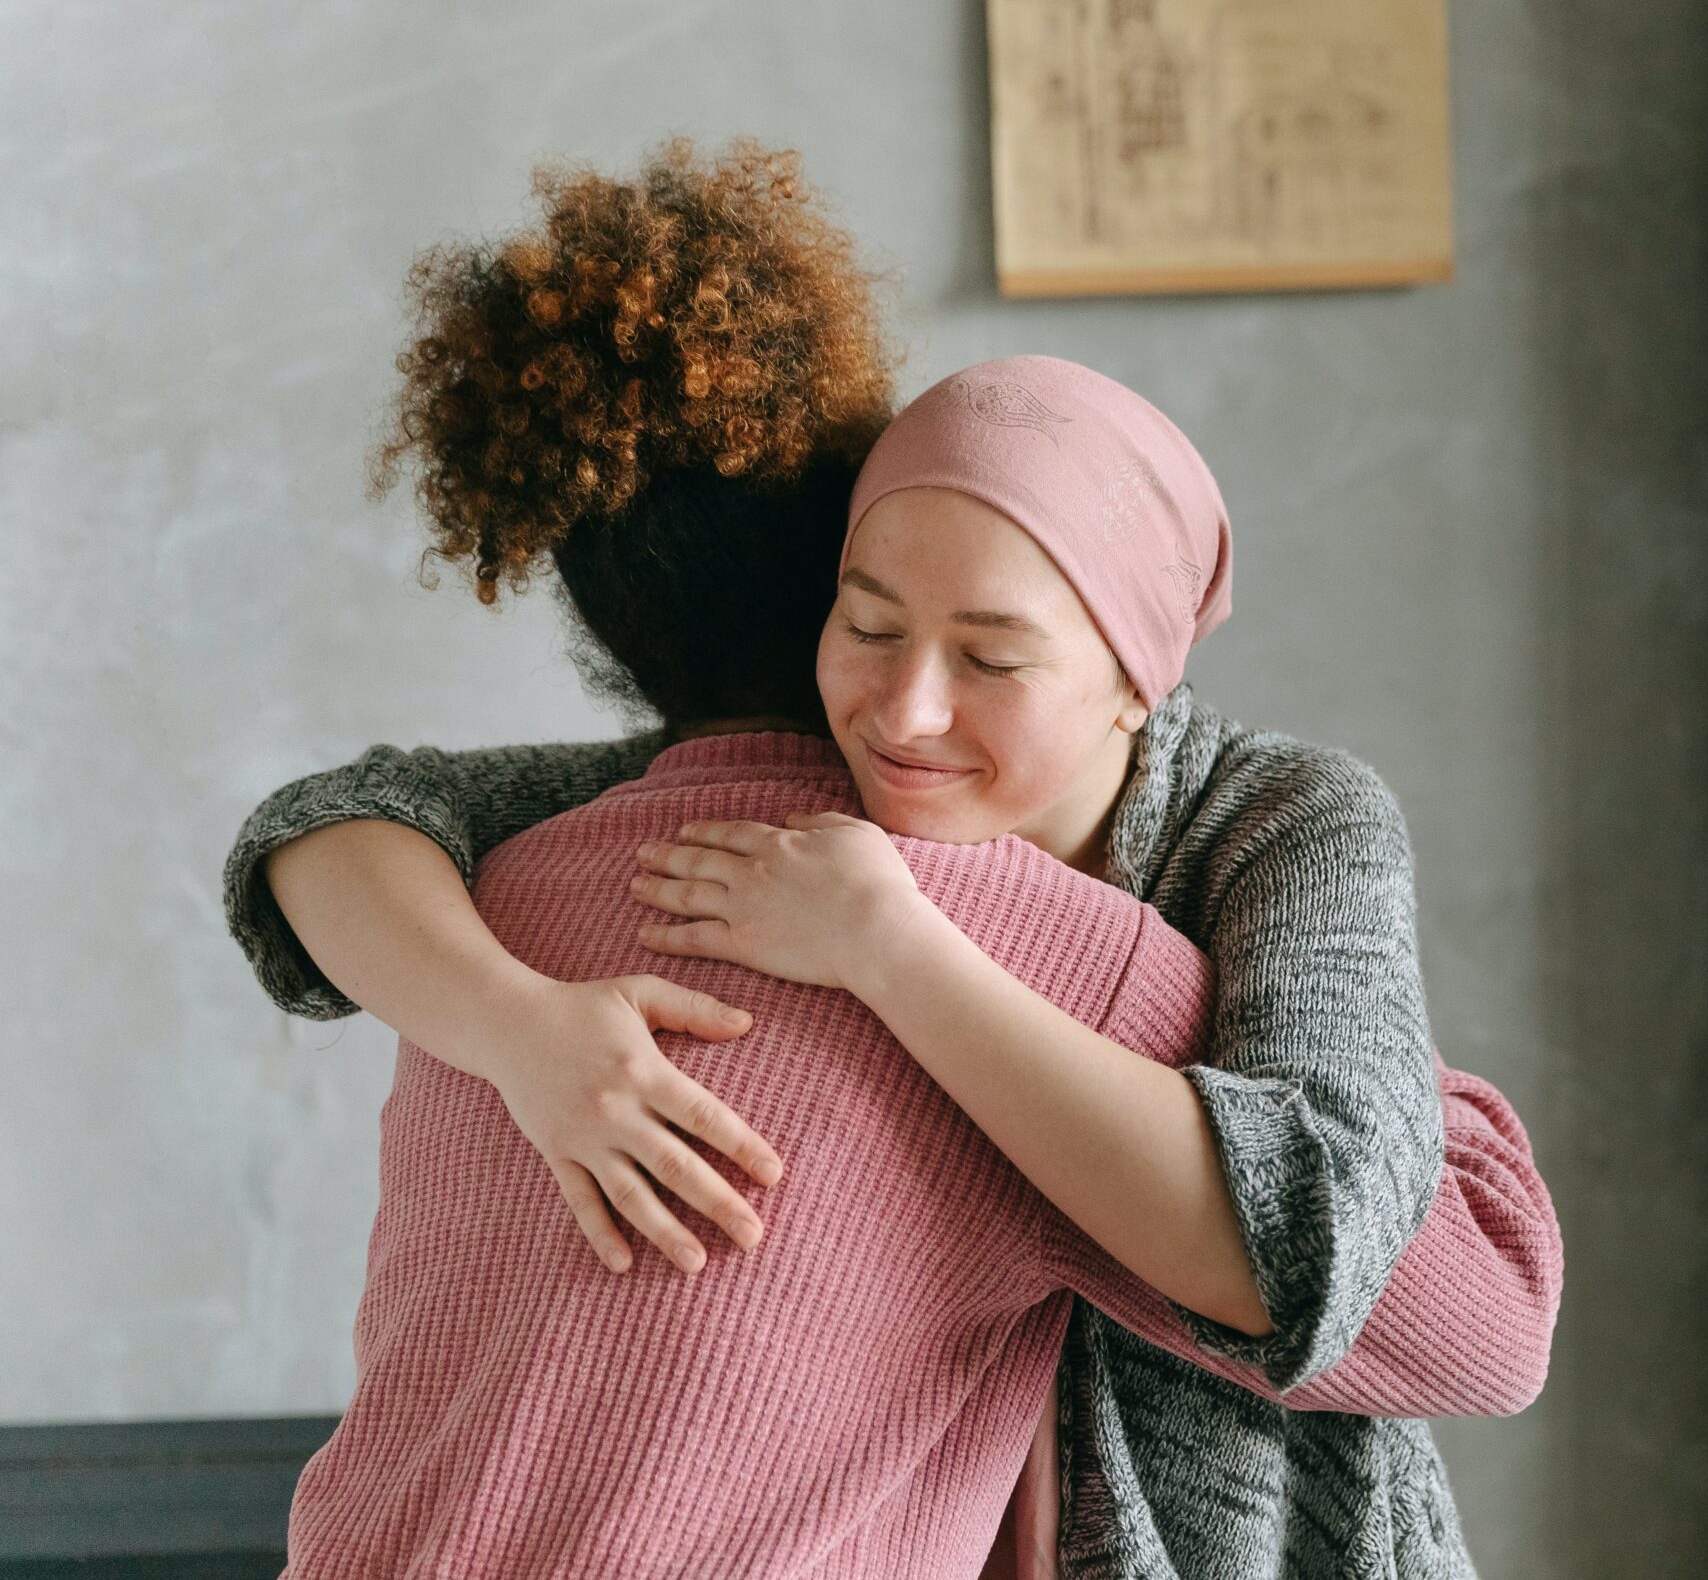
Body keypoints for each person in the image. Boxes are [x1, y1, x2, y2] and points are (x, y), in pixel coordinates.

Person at [225, 139, 1561, 1578]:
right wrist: (528, 1032)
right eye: (866, 627)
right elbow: (342, 816)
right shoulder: (743, 825)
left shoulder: (1271, 827)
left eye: (991, 656)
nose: (907, 710)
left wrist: (897, 948)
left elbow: (1394, 1273)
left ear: (1137, 679)